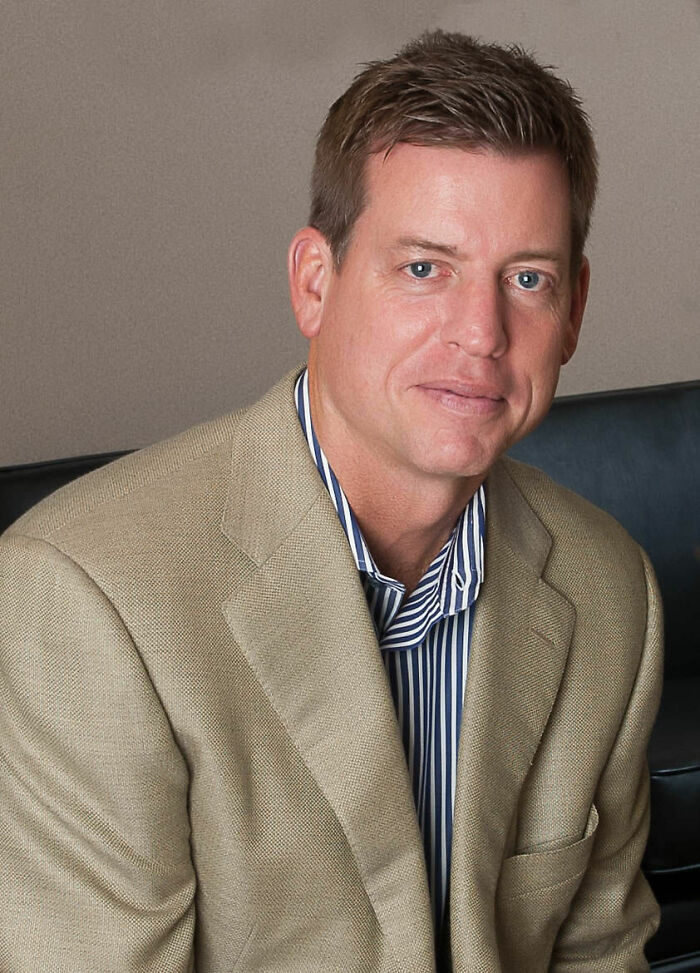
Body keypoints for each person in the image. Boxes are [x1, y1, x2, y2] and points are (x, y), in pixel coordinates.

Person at [0, 29, 662, 973]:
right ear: (316, 282)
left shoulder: (609, 590)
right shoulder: (81, 600)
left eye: (527, 278)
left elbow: (602, 954)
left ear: (575, 312)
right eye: (425, 267)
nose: (481, 333)